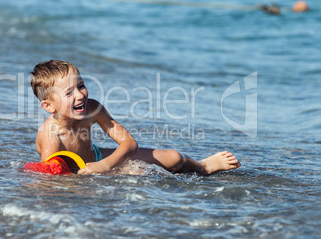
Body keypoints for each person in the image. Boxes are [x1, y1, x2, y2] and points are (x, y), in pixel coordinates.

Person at [30, 60, 241, 175]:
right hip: (80, 172)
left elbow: (129, 143)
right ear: (49, 106)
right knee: (140, 175)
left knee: (174, 158)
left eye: (81, 86)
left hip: (97, 158)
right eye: (69, 93)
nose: (80, 95)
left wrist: (105, 165)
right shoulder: (50, 136)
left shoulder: (92, 108)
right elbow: (50, 177)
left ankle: (204, 166)